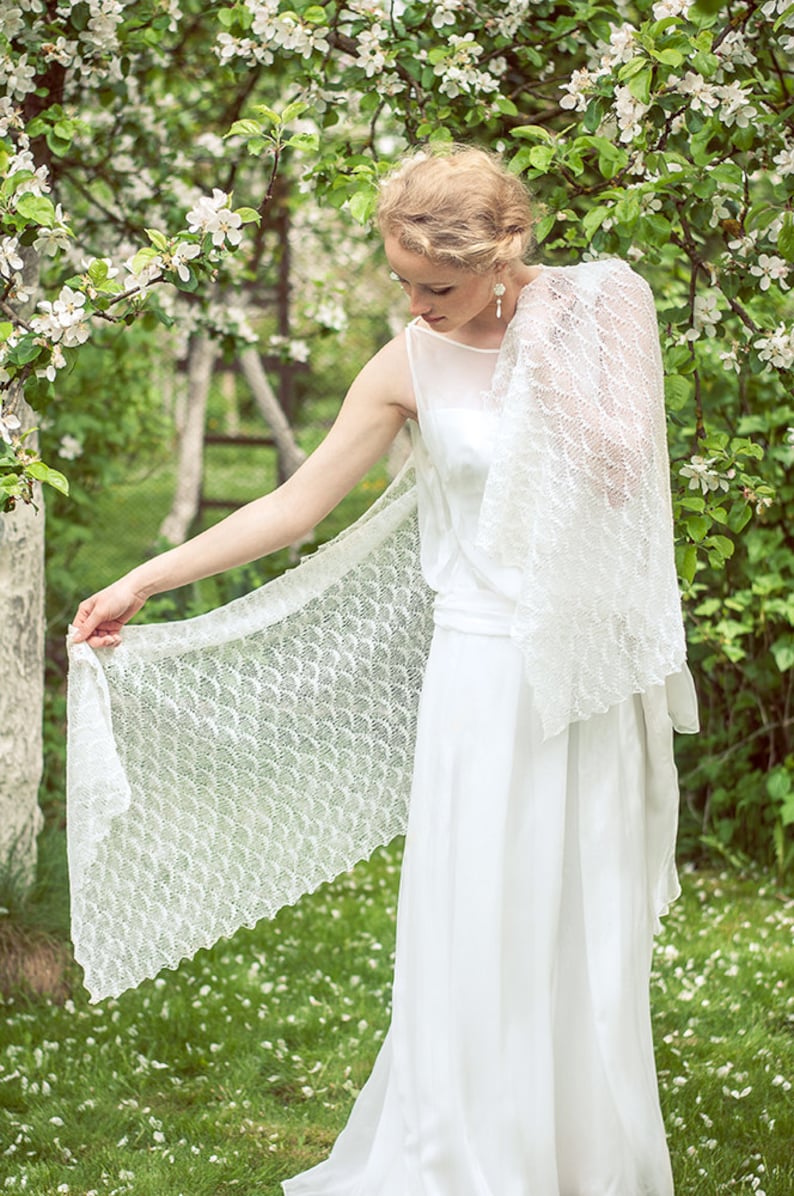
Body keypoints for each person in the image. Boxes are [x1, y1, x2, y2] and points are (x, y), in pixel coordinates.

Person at [70, 145, 698, 1195]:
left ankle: (577, 1161)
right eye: (402, 280)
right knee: (474, 919)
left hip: (580, 676)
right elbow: (295, 505)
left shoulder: (604, 308)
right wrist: (145, 577)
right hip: (477, 676)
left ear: (502, 252)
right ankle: (457, 1157)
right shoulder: (409, 359)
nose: (415, 304)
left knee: (574, 925)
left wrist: (540, 340)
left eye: (436, 286)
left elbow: (621, 463)